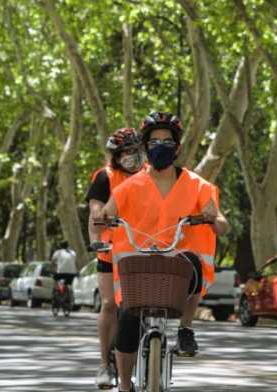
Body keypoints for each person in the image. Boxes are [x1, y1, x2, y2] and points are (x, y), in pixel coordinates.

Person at [92, 112, 229, 392]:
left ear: (177, 148)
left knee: (194, 264)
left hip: (176, 265)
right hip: (139, 263)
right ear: (145, 146)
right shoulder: (130, 186)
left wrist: (213, 219)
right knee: (128, 322)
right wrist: (102, 218)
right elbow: (106, 213)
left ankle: (186, 329)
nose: (161, 146)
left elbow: (222, 224)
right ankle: (125, 386)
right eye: (154, 141)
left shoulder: (197, 185)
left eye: (167, 141)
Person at [84, 127, 145, 389]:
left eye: (137, 150)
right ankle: (104, 364)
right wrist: (97, 232)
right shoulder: (104, 177)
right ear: (117, 155)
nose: (134, 156)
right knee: (109, 304)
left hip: (142, 250)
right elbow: (96, 212)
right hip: (110, 250)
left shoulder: (151, 176)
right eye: (128, 152)